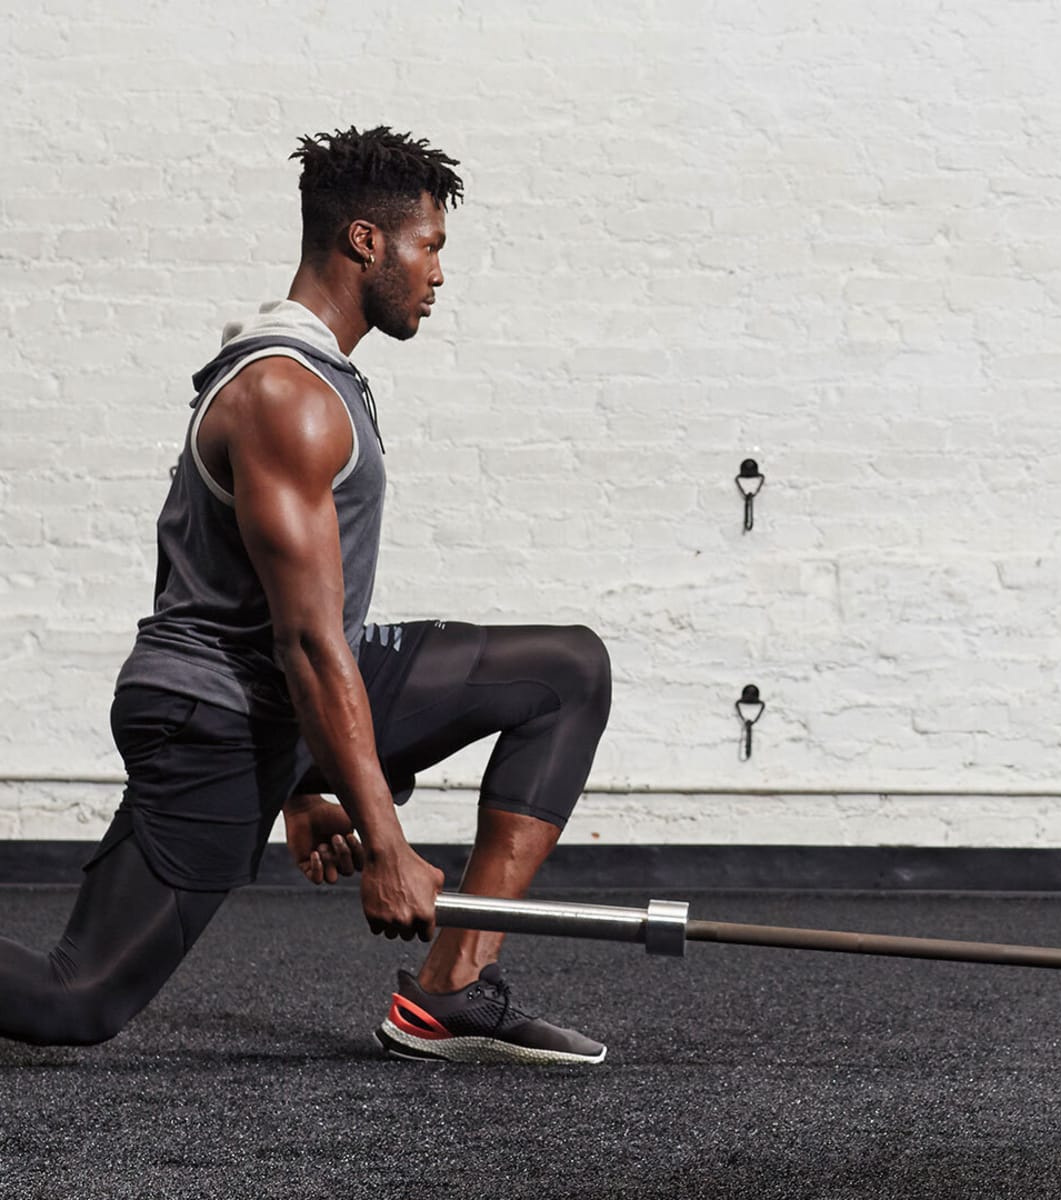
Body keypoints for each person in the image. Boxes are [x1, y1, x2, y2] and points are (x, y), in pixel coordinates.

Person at [0, 126, 612, 1066]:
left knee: (565, 671)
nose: (438, 274)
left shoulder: (311, 374)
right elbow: (306, 645)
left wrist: (300, 784)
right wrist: (384, 843)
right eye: (431, 247)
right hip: (214, 715)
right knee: (75, 999)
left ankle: (449, 994)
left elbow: (286, 617)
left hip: (273, 691)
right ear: (366, 241)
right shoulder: (285, 395)